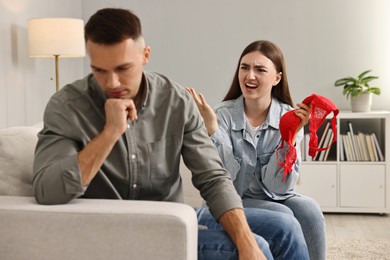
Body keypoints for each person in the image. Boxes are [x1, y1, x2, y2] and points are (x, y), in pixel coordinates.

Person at [32, 9, 309, 260]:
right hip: (113, 229)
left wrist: (244, 238)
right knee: (257, 247)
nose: (112, 82)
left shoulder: (174, 101)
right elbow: (47, 191)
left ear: (145, 56)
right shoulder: (66, 107)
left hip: (172, 216)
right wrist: (109, 133)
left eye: (123, 68)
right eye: (99, 71)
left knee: (284, 228)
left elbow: (212, 177)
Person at [187, 40, 326, 260]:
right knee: (283, 215)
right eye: (244, 67)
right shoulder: (221, 115)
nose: (249, 76)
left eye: (260, 70)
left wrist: (289, 138)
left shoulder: (289, 118)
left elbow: (278, 188)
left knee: (310, 211)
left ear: (276, 78)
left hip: (275, 195)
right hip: (234, 198)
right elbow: (227, 181)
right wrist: (213, 130)